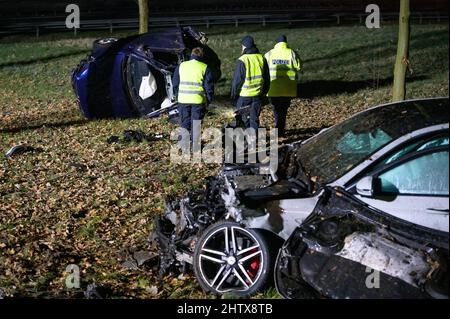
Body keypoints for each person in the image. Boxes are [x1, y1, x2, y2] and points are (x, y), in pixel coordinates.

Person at [173, 47, 214, 149]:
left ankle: (184, 145)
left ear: (191, 55)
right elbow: (209, 87)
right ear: (201, 56)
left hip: (183, 100)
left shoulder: (181, 66)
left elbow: (175, 83)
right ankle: (196, 146)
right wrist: (208, 100)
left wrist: (177, 95)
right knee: (196, 124)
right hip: (198, 100)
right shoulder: (205, 67)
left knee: (185, 123)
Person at [231, 36, 270, 131]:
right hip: (257, 95)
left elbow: (237, 80)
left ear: (244, 47)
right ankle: (253, 142)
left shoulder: (243, 60)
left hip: (244, 96)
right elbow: (267, 77)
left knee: (241, 119)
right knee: (254, 119)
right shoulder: (261, 58)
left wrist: (233, 95)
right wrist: (264, 92)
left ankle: (245, 141)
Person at [264, 35, 301, 137]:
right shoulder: (291, 53)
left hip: (273, 87)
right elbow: (298, 66)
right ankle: (280, 128)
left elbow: (263, 68)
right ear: (286, 42)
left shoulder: (269, 53)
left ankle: (278, 128)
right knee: (283, 109)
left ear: (276, 43)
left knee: (276, 108)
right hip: (287, 88)